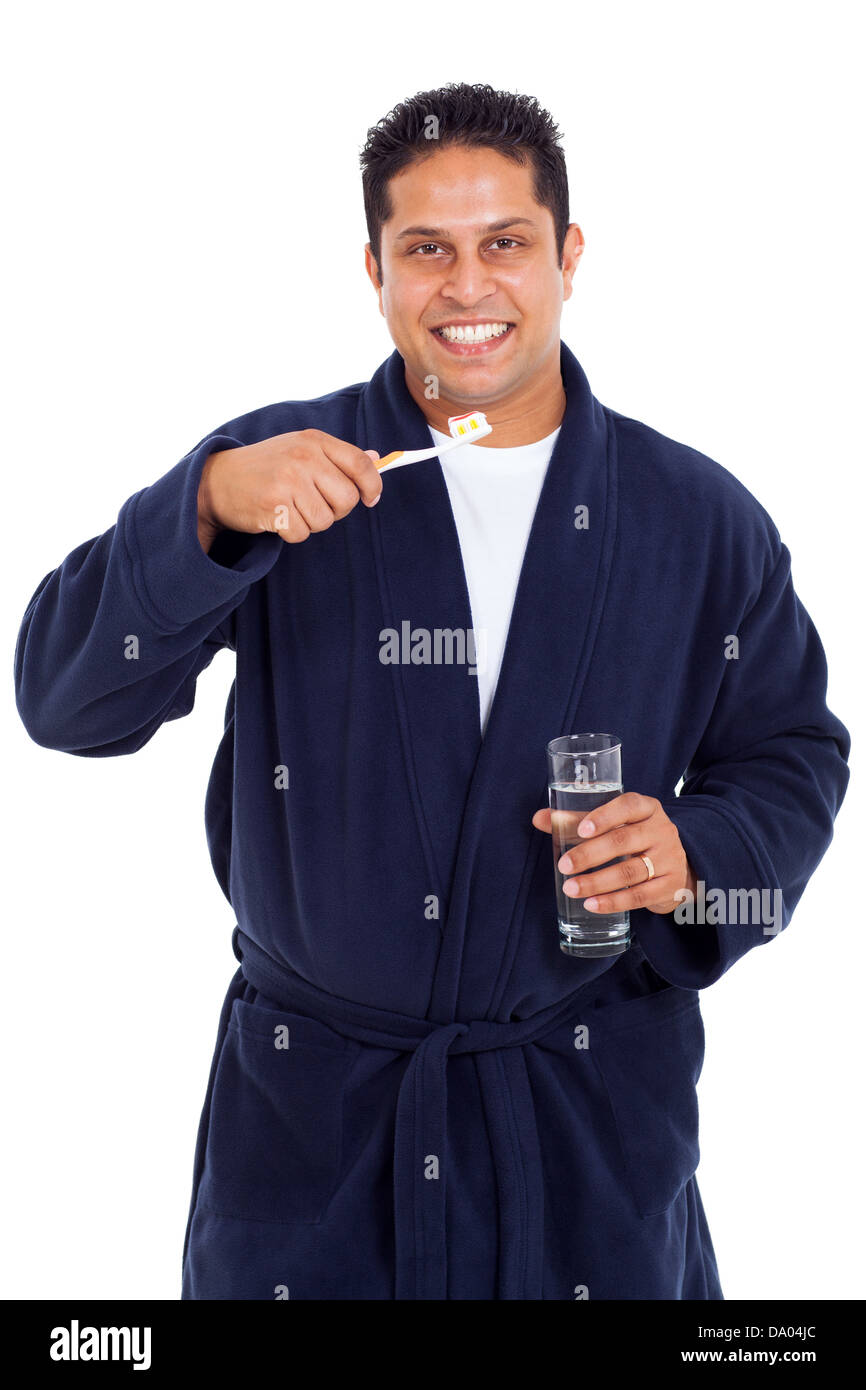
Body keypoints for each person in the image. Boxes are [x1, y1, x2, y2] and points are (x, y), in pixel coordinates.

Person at [14, 82, 850, 1301]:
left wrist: (695, 850)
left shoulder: (694, 514)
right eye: (426, 250)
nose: (467, 288)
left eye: (504, 243)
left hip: (582, 1122)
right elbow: (64, 703)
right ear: (375, 269)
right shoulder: (279, 473)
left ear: (566, 254)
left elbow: (789, 751)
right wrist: (198, 514)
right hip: (313, 1134)